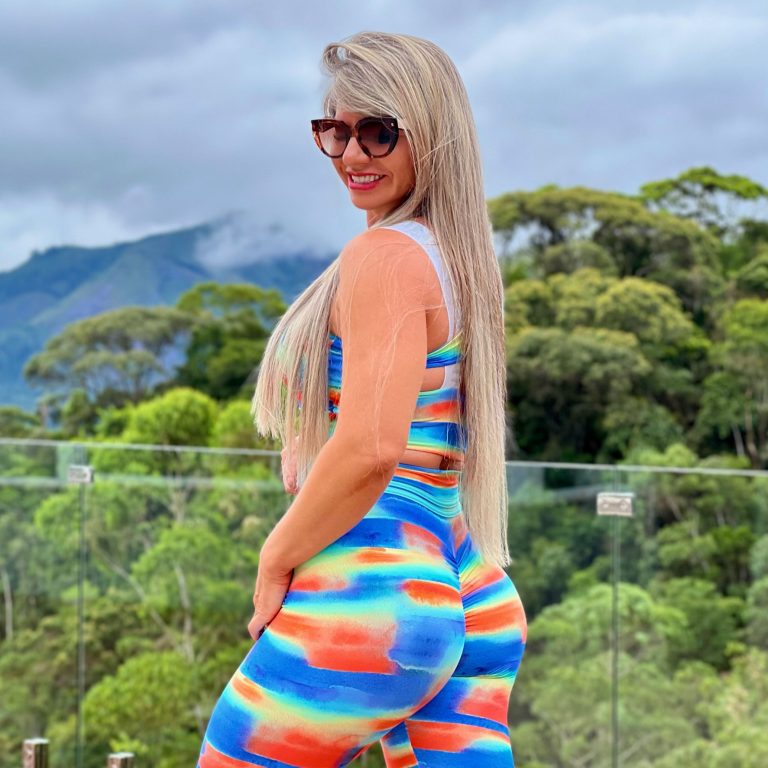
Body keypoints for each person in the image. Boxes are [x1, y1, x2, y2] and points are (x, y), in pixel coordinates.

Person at [197, 30, 527, 768]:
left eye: (378, 131)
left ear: (430, 133)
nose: (351, 154)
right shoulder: (461, 262)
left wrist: (276, 557)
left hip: (373, 589)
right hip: (469, 584)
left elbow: (373, 448)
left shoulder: (385, 257)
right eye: (333, 131)